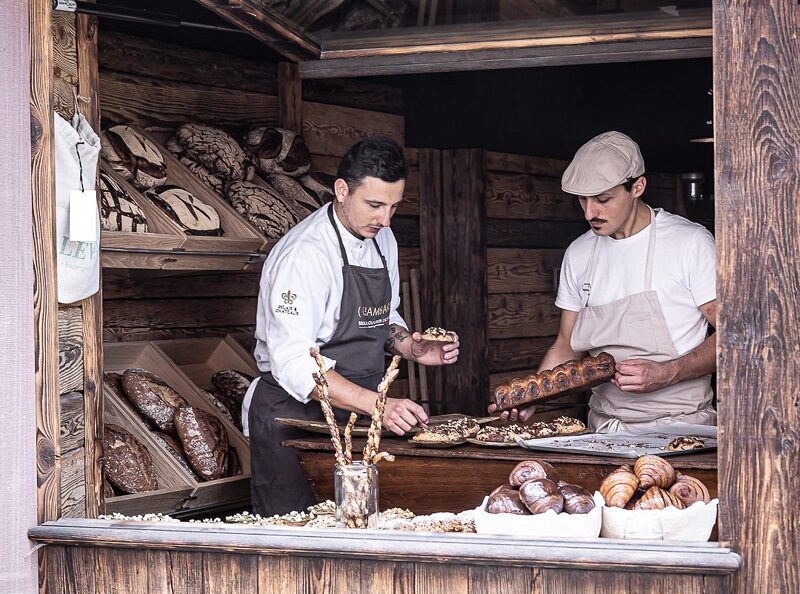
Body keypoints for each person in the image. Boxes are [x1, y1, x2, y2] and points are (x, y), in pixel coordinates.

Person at [243, 136, 460, 516]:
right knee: (298, 543)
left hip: (357, 418)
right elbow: (296, 362)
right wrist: (381, 405)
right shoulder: (305, 256)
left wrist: (411, 346)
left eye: (393, 206)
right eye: (375, 205)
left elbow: (383, 315)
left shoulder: (382, 238)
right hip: (295, 421)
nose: (386, 219)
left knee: (362, 530)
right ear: (341, 190)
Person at [490, 131, 717, 433]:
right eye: (582, 200)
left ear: (637, 186)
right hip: (604, 430)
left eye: (603, 199)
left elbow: (733, 338)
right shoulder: (580, 252)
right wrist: (536, 395)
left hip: (682, 428)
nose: (589, 212)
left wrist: (668, 372)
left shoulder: (689, 243)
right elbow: (566, 345)